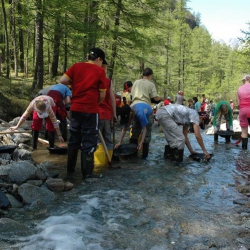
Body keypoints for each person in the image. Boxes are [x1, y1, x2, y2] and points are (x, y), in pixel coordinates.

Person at [60, 47, 107, 178]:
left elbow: (63, 81)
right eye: (101, 61)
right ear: (99, 59)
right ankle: (87, 173)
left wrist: (75, 83)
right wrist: (95, 103)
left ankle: (70, 171)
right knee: (89, 140)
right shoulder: (99, 70)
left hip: (75, 109)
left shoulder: (76, 66)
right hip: (90, 110)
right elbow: (102, 94)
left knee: (74, 139)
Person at [130, 67, 164, 158]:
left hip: (135, 107)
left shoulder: (136, 82)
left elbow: (131, 95)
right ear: (150, 75)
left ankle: (132, 155)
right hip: (146, 108)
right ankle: (144, 156)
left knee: (135, 132)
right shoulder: (150, 84)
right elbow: (155, 98)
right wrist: (161, 98)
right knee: (147, 131)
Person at [98, 62, 117, 154]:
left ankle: (97, 161)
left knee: (96, 138)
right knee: (107, 137)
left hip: (95, 113)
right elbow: (112, 99)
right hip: (106, 113)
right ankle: (108, 158)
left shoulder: (92, 79)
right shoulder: (108, 81)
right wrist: (114, 114)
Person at [236, 75, 250, 149]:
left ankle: (244, 152)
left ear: (244, 80)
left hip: (243, 110)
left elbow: (238, 104)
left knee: (244, 132)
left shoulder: (239, 89)